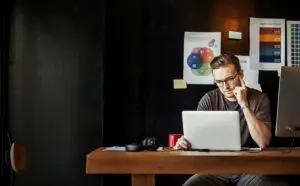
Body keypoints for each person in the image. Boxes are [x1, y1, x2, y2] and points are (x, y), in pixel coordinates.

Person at [174, 54, 290, 186]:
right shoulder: (209, 100)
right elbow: (198, 141)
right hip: (215, 170)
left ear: (241, 74)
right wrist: (187, 143)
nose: (225, 87)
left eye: (229, 79)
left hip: (251, 170)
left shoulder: (260, 99)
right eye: (219, 82)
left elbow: (263, 141)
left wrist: (244, 105)